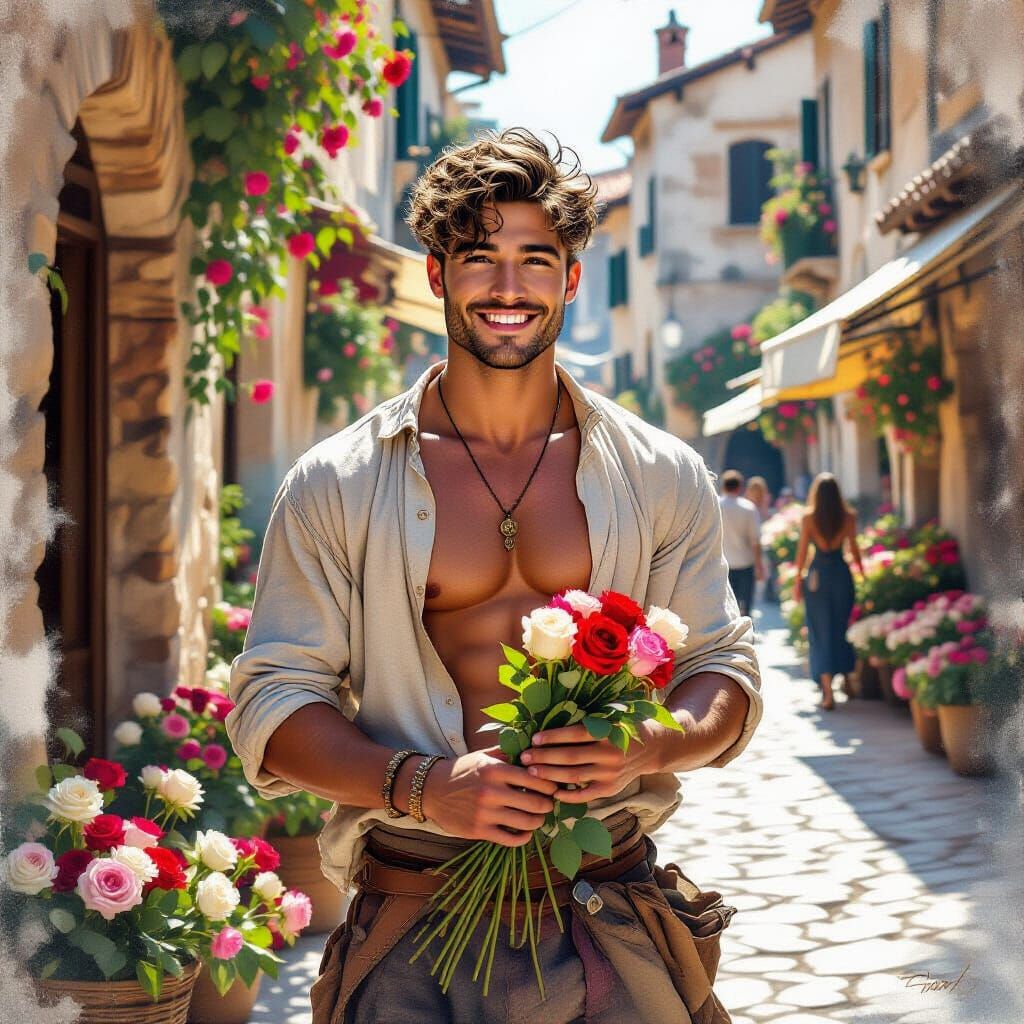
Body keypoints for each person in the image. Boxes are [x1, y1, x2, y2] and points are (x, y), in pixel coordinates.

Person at [226, 128, 762, 1024]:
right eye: (479, 259)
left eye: (534, 260)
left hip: (609, 901)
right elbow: (272, 703)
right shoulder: (337, 482)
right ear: (436, 274)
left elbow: (725, 672)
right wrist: (421, 785)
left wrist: (650, 745)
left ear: (571, 278)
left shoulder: (661, 472)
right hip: (414, 910)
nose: (507, 289)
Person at [792, 473, 865, 710]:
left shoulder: (809, 518)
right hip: (841, 576)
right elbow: (853, 550)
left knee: (820, 631)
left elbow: (802, 552)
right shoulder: (848, 517)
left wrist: (796, 583)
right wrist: (864, 574)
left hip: (817, 579)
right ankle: (847, 681)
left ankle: (827, 693)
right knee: (841, 627)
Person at [717, 469, 764, 618]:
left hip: (723, 563)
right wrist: (759, 565)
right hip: (746, 563)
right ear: (740, 487)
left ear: (723, 486)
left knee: (727, 606)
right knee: (746, 604)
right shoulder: (748, 508)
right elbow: (755, 540)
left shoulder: (715, 505)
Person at [744, 476, 775, 602]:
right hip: (760, 534)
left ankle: (759, 591)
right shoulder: (762, 500)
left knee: (757, 562)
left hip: (756, 535)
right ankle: (762, 591)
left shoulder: (748, 502)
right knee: (762, 562)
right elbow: (766, 516)